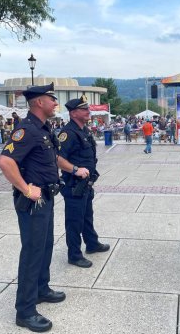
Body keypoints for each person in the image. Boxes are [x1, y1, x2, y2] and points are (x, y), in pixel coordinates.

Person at [0, 83, 65, 333]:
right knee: (33, 251)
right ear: (39, 102)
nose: (55, 103)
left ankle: (41, 289)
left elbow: (51, 159)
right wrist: (26, 189)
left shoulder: (44, 129)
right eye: (52, 99)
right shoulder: (26, 129)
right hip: (33, 201)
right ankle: (25, 311)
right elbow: (5, 162)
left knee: (46, 245)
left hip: (46, 198)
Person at [57, 95, 110, 268]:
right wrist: (75, 169)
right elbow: (57, 158)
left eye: (88, 108)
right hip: (74, 185)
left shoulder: (83, 130)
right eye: (84, 109)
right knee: (74, 222)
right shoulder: (68, 133)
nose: (88, 111)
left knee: (87, 216)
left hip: (86, 184)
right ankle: (74, 254)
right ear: (73, 113)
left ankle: (92, 244)